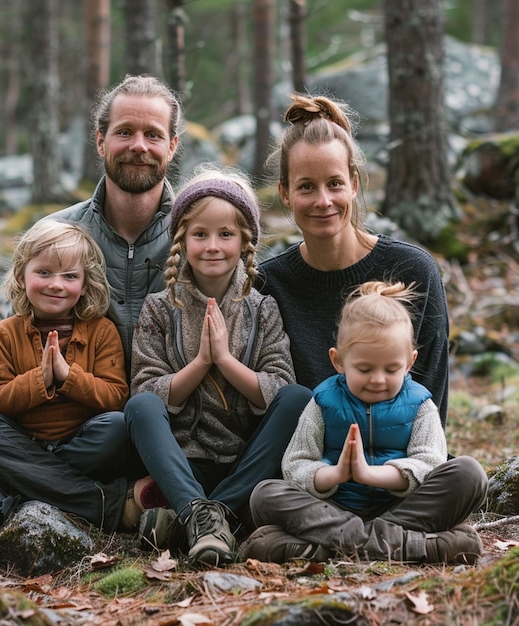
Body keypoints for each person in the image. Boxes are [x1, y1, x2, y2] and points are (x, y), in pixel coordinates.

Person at [241, 281, 488, 565]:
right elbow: (296, 465)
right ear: (338, 361)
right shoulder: (323, 402)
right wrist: (336, 474)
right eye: (364, 368)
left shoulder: (421, 405)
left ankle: (327, 549)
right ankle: (422, 547)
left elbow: (430, 462)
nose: (378, 379)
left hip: (402, 509)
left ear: (409, 362)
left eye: (391, 368)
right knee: (265, 494)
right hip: (333, 510)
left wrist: (370, 474)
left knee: (470, 473)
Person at [123, 166, 298, 567]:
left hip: (245, 464)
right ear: (182, 242)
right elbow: (146, 389)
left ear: (244, 242)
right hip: (183, 466)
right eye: (200, 234)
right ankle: (207, 514)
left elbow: (280, 383)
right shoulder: (160, 308)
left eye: (226, 234)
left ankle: (195, 518)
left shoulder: (262, 309)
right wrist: (202, 362)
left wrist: (225, 360)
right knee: (139, 408)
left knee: (298, 398)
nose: (212, 246)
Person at [0, 220, 132, 558]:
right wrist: (41, 378)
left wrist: (68, 376)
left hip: (80, 444)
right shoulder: (6, 332)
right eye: (44, 273)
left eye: (70, 276)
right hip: (20, 441)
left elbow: (115, 397)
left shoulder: (102, 331)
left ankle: (9, 491)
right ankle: (104, 505)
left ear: (85, 284)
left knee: (118, 427)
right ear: (23, 276)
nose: (56, 284)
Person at [257, 93, 451, 427]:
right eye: (306, 187)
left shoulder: (413, 271)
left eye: (334, 184)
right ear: (285, 194)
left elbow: (432, 408)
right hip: (306, 469)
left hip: (401, 464)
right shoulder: (267, 285)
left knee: (466, 475)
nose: (323, 200)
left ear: (354, 184)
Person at [44, 74, 184, 375]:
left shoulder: (200, 237)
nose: (138, 146)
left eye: (153, 135)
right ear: (100, 142)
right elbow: (12, 339)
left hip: (176, 414)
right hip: (79, 412)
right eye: (124, 132)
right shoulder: (54, 236)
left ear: (172, 146)